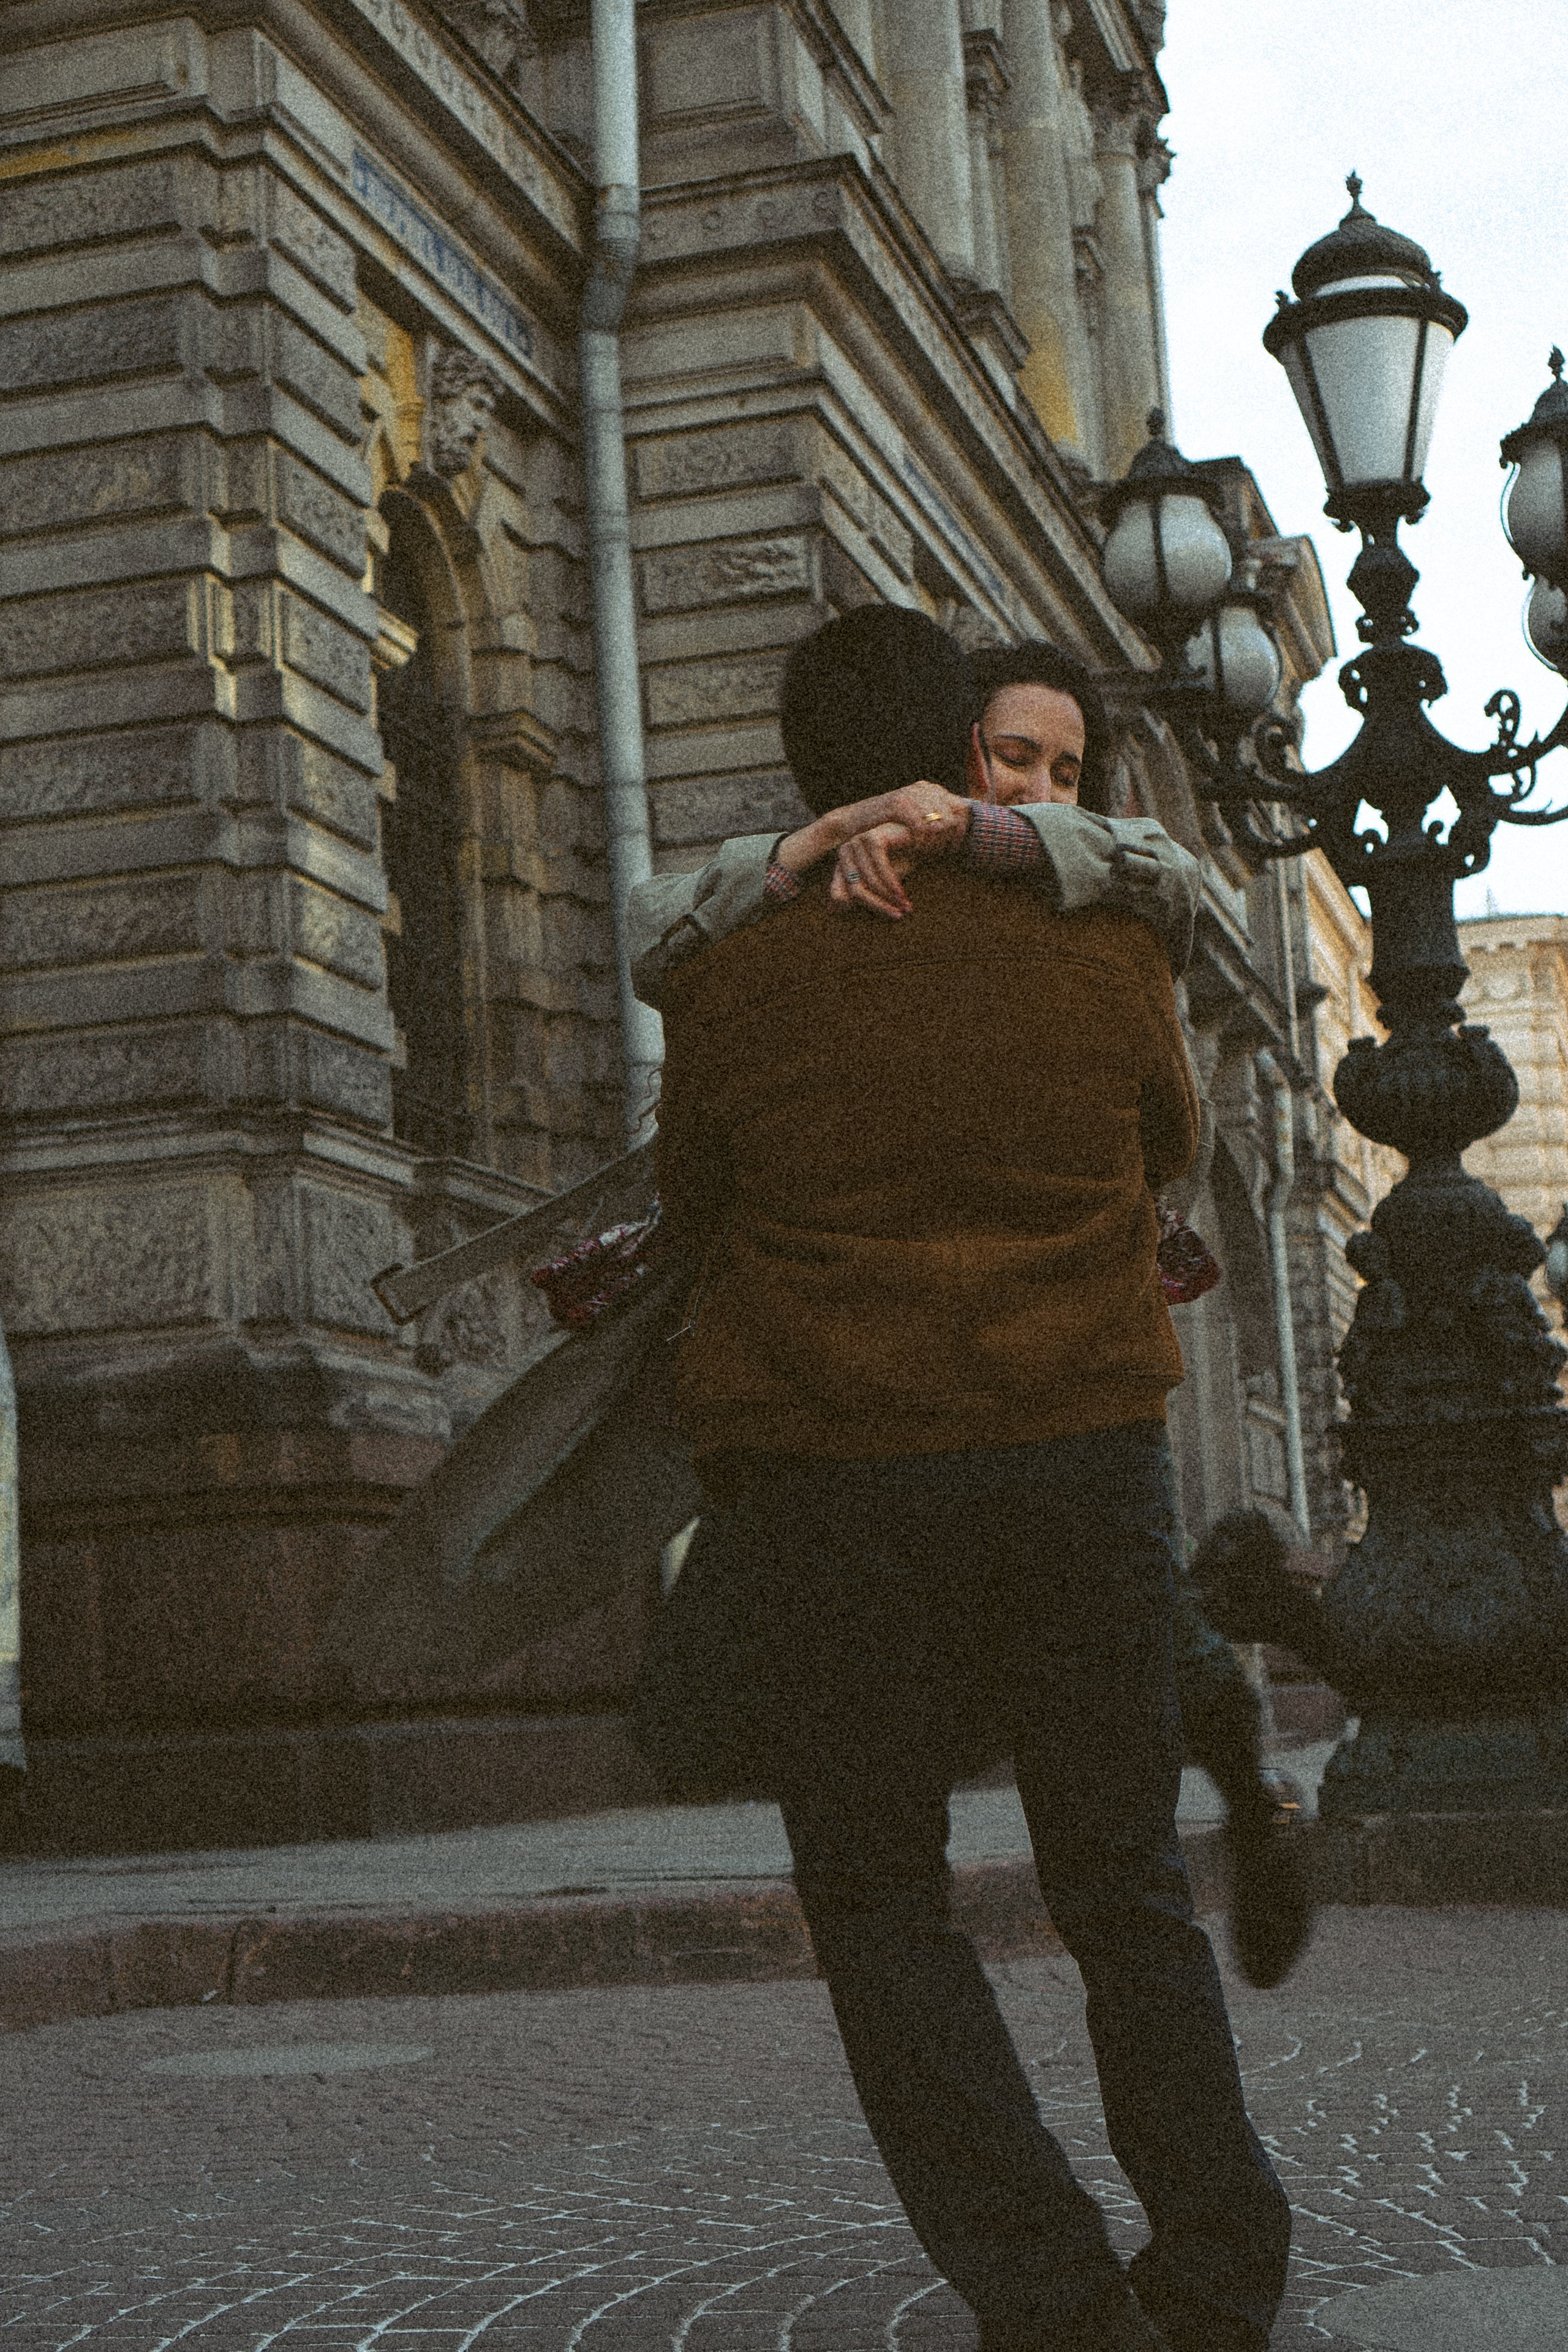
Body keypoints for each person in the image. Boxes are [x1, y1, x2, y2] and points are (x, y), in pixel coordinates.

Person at [651, 605, 1291, 2352]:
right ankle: (1225, 2263)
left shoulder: (732, 976)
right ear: (957, 747)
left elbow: (692, 1198)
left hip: (836, 1485)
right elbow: (1168, 1143)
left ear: (799, 771)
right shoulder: (1103, 941)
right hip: (1079, 1459)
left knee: (874, 1895)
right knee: (1121, 1879)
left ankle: (1047, 2290)